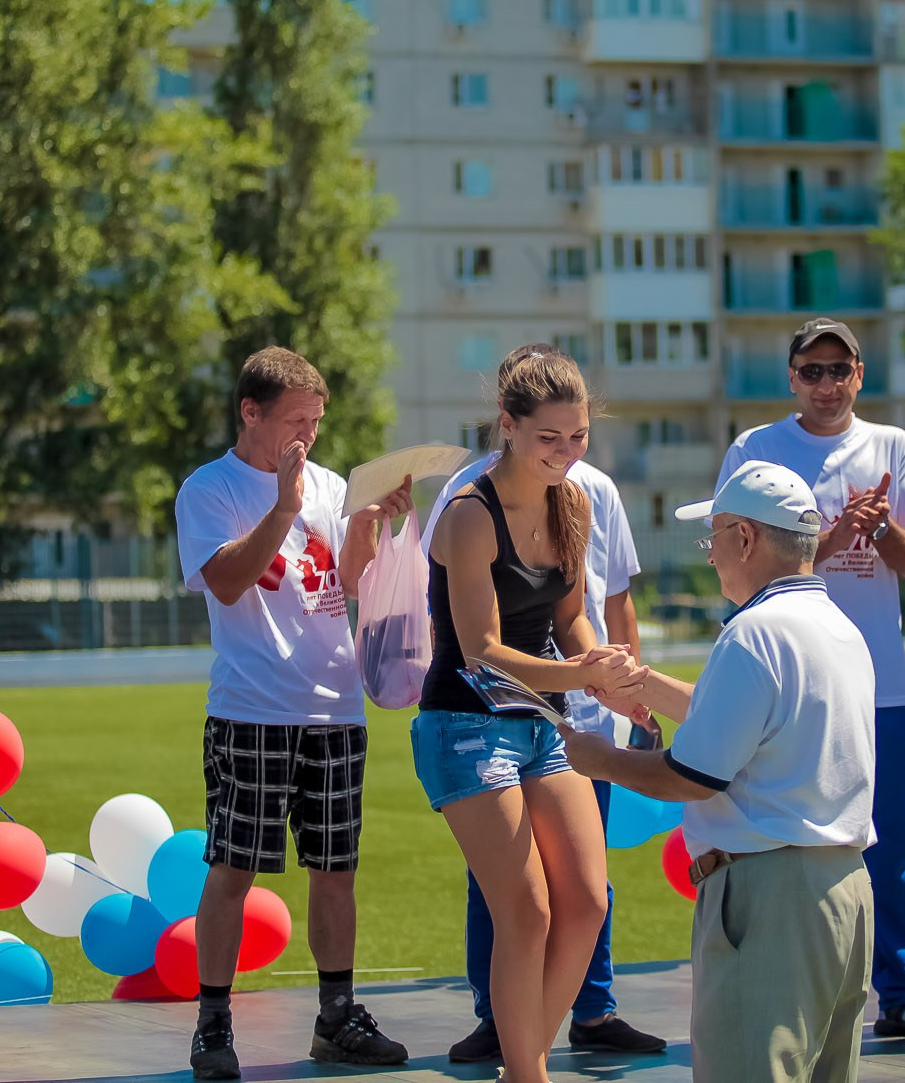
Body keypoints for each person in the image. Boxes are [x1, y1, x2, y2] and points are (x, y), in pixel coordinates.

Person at [560, 460, 876, 1083]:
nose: (711, 556)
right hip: (843, 889)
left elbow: (692, 776)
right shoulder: (839, 628)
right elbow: (750, 718)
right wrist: (642, 682)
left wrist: (598, 759)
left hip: (769, 897)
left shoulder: (754, 633)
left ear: (747, 538)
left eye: (714, 538)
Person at [712, 317, 905, 1040]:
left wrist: (879, 528)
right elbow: (741, 565)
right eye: (811, 370)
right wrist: (834, 532)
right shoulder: (756, 450)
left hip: (877, 679)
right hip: (784, 680)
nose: (826, 384)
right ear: (791, 377)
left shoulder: (892, 447)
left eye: (839, 369)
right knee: (789, 839)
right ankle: (793, 986)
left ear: (860, 373)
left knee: (890, 839)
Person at [419, 345, 664, 1065]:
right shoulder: (469, 512)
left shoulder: (574, 501)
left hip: (539, 722)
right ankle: (526, 1072)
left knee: (587, 901)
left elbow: (571, 622)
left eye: (578, 436)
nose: (565, 452)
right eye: (548, 437)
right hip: (464, 724)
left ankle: (524, 1064)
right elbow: (481, 649)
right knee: (525, 914)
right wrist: (581, 677)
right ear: (508, 424)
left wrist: (605, 665)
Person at [173, 346, 414, 1077]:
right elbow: (227, 579)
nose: (308, 436)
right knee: (234, 867)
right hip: (251, 708)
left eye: (316, 420)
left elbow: (343, 582)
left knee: (335, 869)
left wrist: (368, 523)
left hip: (335, 708)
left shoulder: (331, 485)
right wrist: (282, 505)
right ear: (251, 412)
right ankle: (213, 1025)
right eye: (296, 421)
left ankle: (337, 1016)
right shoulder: (208, 488)